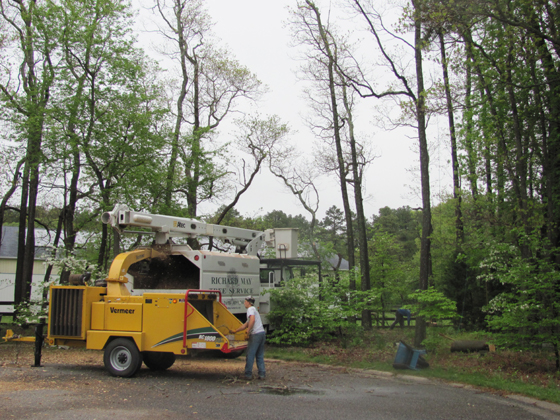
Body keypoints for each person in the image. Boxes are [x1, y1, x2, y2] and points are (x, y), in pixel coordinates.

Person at [231, 296, 266, 380]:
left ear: (249, 302)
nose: (244, 303)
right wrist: (236, 331)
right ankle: (262, 374)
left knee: (250, 354)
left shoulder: (250, 309)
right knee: (259, 355)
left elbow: (252, 320)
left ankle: (248, 374)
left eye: (245, 301)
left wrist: (248, 331)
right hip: (262, 333)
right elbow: (246, 324)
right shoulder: (254, 310)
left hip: (255, 334)